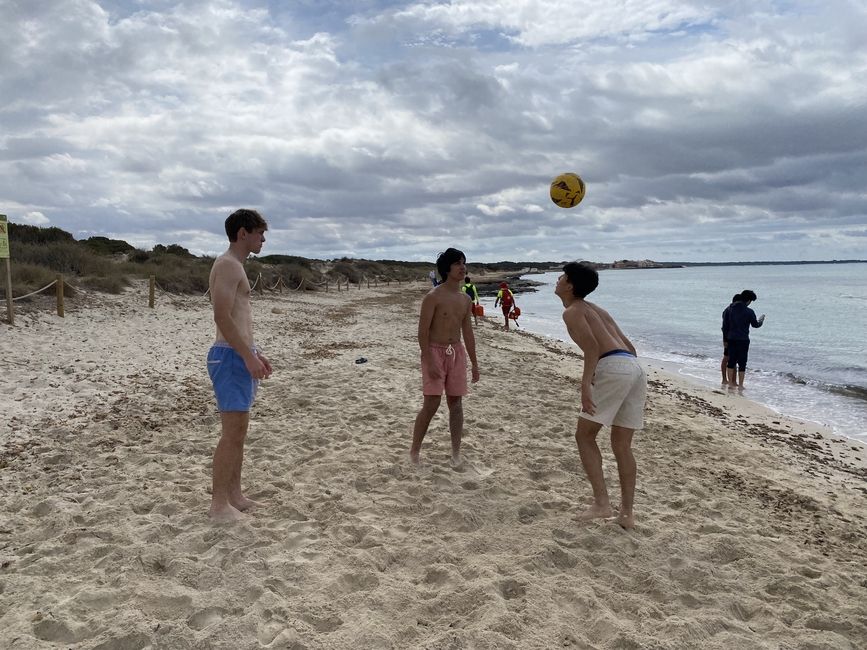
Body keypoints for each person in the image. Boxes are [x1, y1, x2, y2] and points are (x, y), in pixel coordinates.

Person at [555, 262, 646, 530]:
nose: (557, 279)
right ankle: (627, 514)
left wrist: (585, 384)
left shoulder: (572, 311)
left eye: (562, 276)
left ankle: (602, 503)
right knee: (622, 445)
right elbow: (630, 347)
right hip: (634, 367)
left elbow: (592, 348)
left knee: (584, 435)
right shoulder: (599, 310)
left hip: (613, 365)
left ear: (570, 285)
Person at [206, 208, 273, 522]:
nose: (263, 239)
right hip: (229, 356)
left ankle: (234, 495)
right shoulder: (228, 265)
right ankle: (219, 505)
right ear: (243, 232)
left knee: (239, 432)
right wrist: (246, 355)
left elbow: (239, 318)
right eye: (260, 232)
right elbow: (221, 316)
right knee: (231, 433)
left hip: (239, 354)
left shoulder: (235, 266)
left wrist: (254, 353)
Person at [411, 248, 481, 466]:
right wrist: (429, 361)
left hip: (456, 352)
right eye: (457, 263)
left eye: (464, 263)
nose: (462, 267)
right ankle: (414, 451)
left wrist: (475, 364)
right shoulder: (433, 297)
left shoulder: (465, 299)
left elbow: (467, 333)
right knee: (431, 403)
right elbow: (422, 333)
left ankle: (455, 453)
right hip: (434, 351)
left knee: (456, 403)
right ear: (446, 268)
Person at [722, 289, 765, 389]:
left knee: (731, 361)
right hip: (743, 339)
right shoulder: (749, 311)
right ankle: (740, 385)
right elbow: (755, 325)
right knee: (742, 362)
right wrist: (761, 321)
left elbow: (725, 326)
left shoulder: (729, 309)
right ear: (749, 300)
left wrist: (725, 340)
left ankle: (730, 384)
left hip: (731, 338)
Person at [720, 293, 741, 383]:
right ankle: (725, 379)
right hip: (729, 338)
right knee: (727, 358)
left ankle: (733, 381)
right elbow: (724, 327)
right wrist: (725, 339)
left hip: (734, 337)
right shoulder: (728, 311)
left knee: (733, 359)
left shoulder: (733, 311)